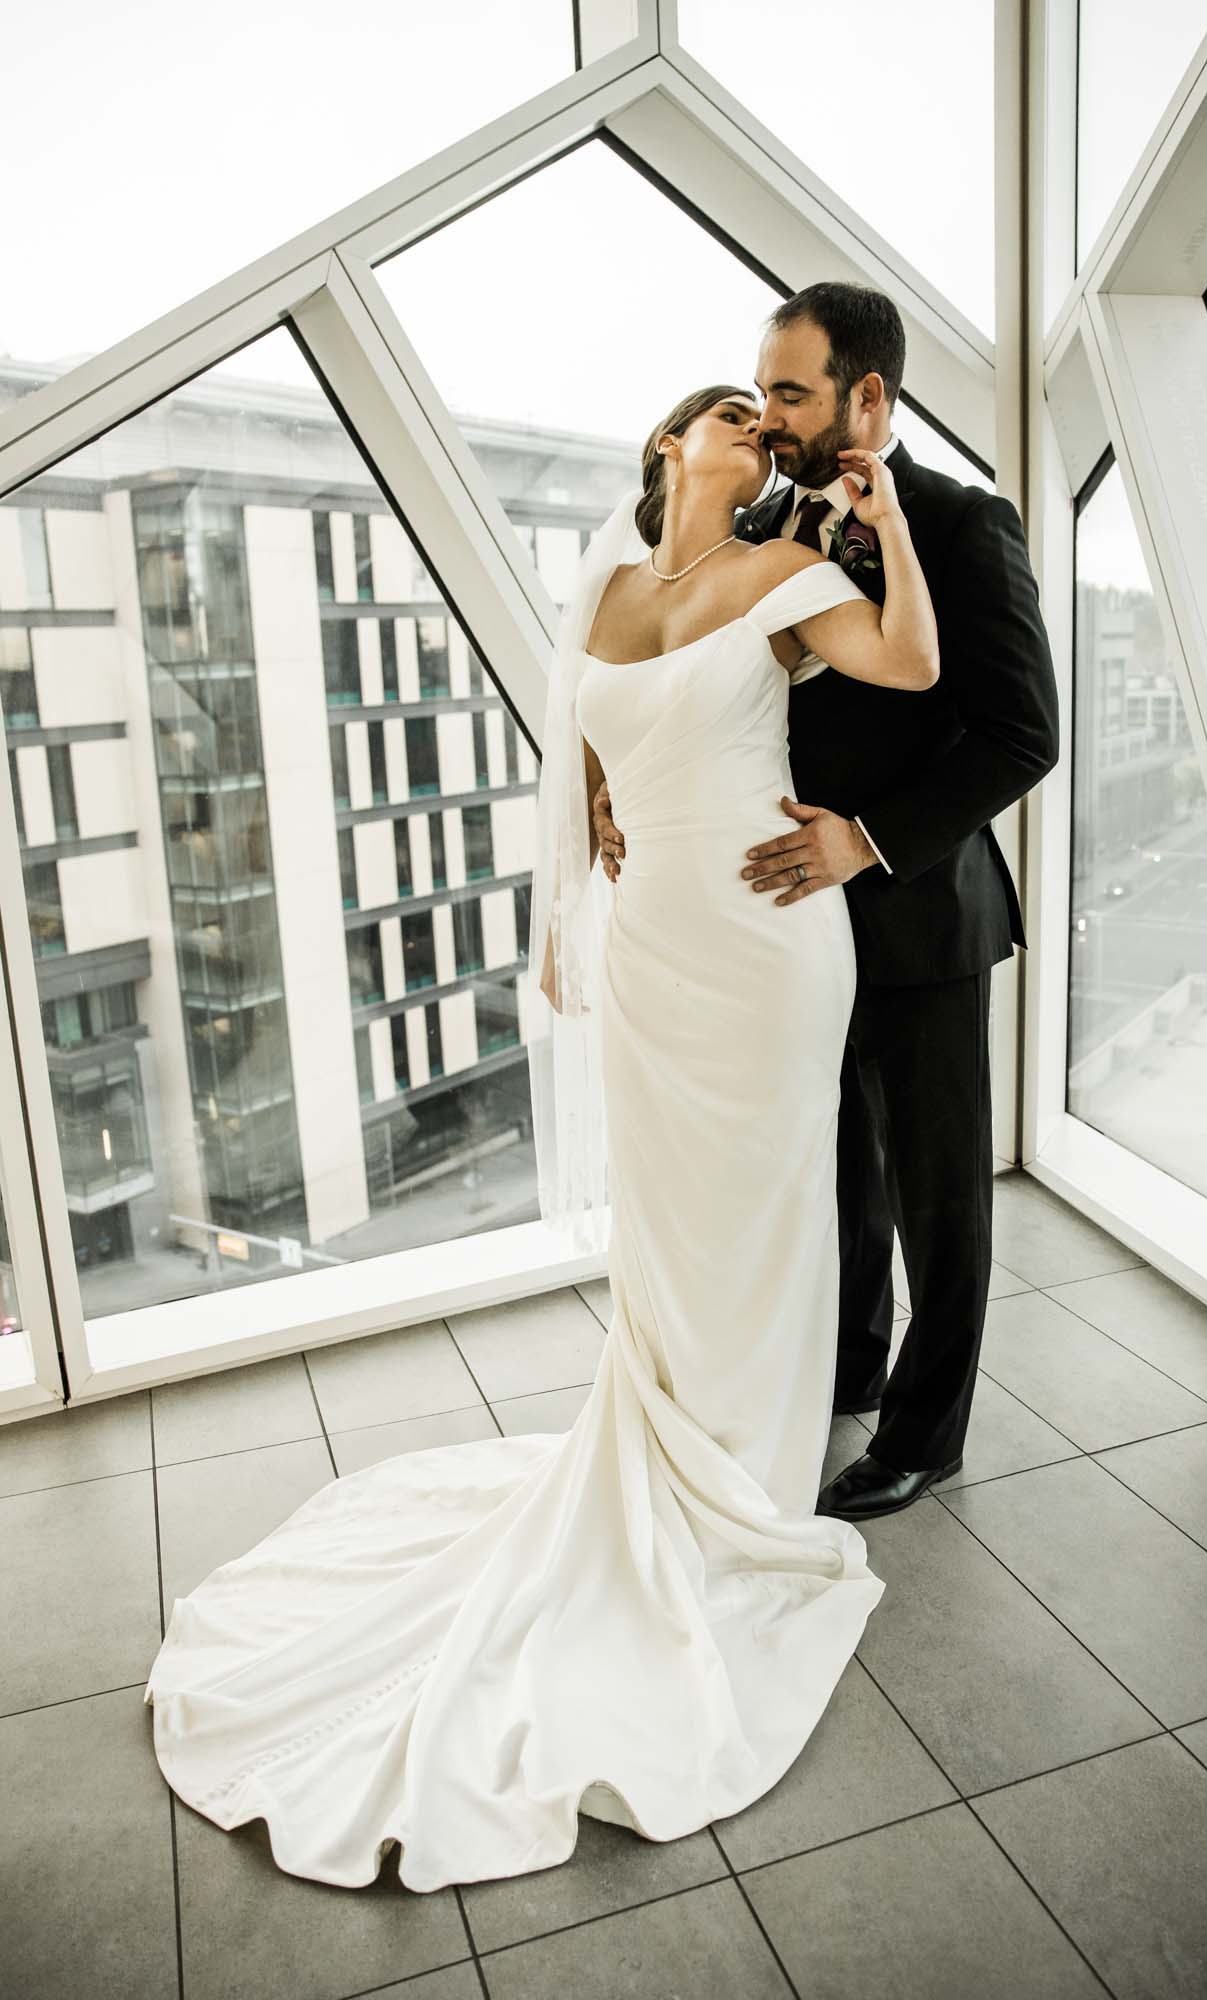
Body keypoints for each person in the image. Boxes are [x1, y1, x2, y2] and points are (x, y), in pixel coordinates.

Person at [141, 381, 939, 1894]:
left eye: (765, 426)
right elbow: (578, 721)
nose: (754, 432)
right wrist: (599, 805)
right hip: (654, 946)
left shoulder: (785, 571)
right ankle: (670, 1451)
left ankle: (748, 1485)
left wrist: (884, 516)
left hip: (768, 938)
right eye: (729, 415)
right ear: (669, 446)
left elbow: (906, 661)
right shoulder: (611, 586)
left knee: (772, 1210)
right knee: (671, 1216)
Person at [595, 284, 1059, 1522]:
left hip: (916, 912)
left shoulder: (960, 522)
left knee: (936, 1195)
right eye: (762, 390)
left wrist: (867, 839)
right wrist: (615, 789)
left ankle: (922, 1434)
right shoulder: (766, 523)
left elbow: (1022, 733)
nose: (771, 414)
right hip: (775, 928)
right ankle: (848, 1364)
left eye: (791, 392)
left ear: (868, 394)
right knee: (834, 1166)